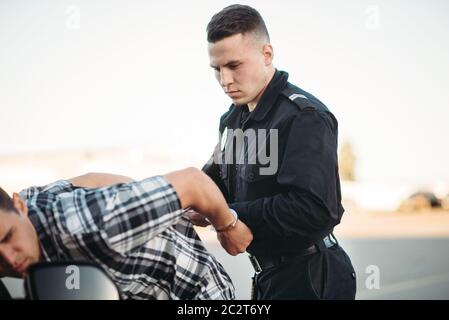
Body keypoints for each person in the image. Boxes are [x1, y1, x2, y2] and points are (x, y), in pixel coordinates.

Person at [193, 4, 357, 299]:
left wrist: (226, 215)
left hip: (311, 277)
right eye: (217, 69)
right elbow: (211, 182)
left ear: (267, 55)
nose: (225, 80)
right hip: (268, 277)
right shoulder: (232, 120)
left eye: (234, 65)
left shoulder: (304, 116)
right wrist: (173, 201)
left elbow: (313, 209)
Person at [0, 168, 253, 299]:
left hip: (197, 293)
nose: (9, 259)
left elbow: (194, 183)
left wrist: (227, 226)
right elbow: (90, 179)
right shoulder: (25, 202)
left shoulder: (93, 224)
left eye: (8, 237)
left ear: (20, 208)